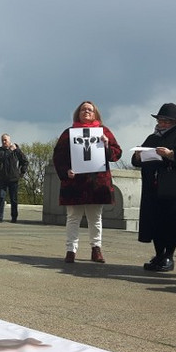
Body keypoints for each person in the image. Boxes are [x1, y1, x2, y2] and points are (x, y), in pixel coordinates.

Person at [131, 103, 176, 272]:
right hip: (153, 187)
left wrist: (170, 155)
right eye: (161, 120)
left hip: (173, 187)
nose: (163, 123)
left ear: (175, 122)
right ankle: (159, 254)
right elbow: (136, 161)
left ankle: (169, 255)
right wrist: (138, 156)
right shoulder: (152, 138)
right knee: (155, 221)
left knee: (172, 222)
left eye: (167, 121)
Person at [52, 101, 122, 263]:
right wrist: (65, 171)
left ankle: (96, 249)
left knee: (95, 218)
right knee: (73, 218)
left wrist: (106, 145)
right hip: (74, 182)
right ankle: (71, 250)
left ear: (95, 113)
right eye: (83, 109)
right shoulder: (69, 133)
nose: (86, 112)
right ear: (78, 113)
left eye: (90, 110)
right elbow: (58, 156)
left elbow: (116, 154)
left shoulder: (104, 132)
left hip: (96, 184)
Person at [0, 133, 28, 223]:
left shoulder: (16, 151)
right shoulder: (0, 150)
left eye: (5, 140)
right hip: (2, 178)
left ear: (9, 141)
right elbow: (3, 158)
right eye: (2, 140)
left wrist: (22, 172)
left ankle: (14, 217)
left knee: (14, 199)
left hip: (13, 179)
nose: (4, 142)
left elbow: (25, 161)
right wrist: (10, 150)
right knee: (1, 197)